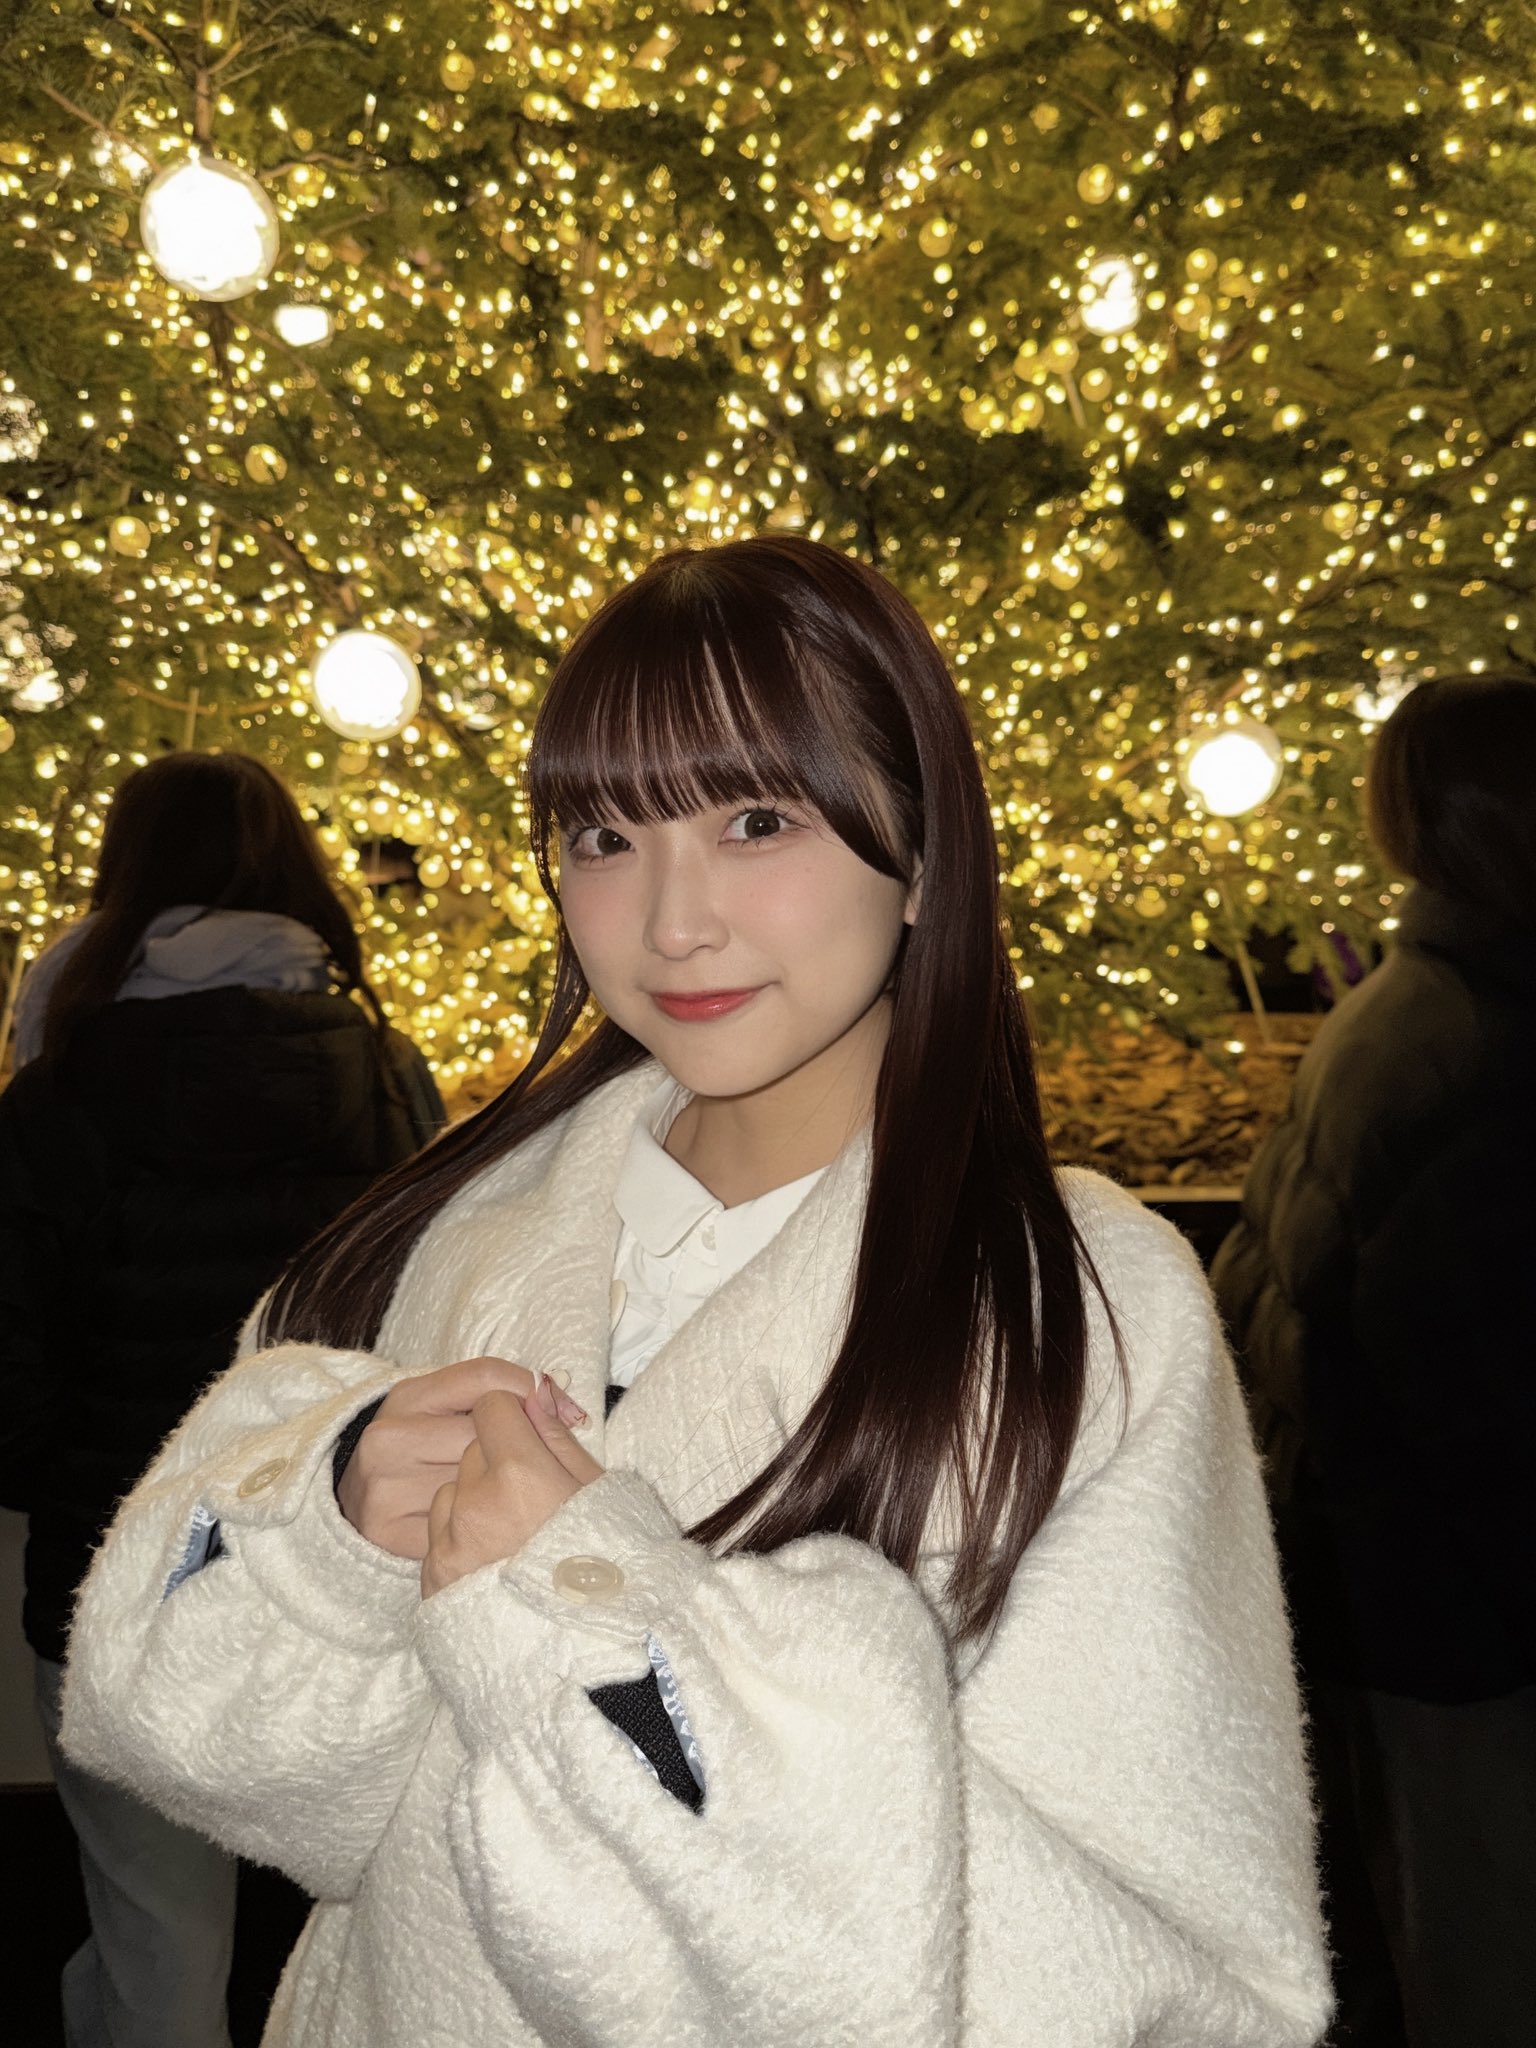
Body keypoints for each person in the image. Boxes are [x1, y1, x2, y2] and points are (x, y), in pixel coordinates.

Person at [59, 541, 1332, 2047]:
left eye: (756, 819)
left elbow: (1184, 1983)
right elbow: (283, 1796)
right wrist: (332, 1525)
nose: (673, 922)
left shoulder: (1073, 1309)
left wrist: (606, 1635)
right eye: (605, 836)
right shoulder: (448, 1236)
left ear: (922, 852)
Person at [0, 749, 444, 2048]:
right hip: (332, 1572)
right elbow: (428, 1324)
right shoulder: (385, 1072)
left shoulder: (56, 1090)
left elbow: (6, 1377)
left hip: (117, 1573)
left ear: (125, 876)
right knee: (349, 1943)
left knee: (161, 1942)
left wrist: (83, 1483)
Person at [1211, 674, 1536, 2048]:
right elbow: (1480, 1402)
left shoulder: (1410, 1010)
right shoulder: (1482, 1051)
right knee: (1488, 1966)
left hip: (1374, 1585)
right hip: (1448, 1626)